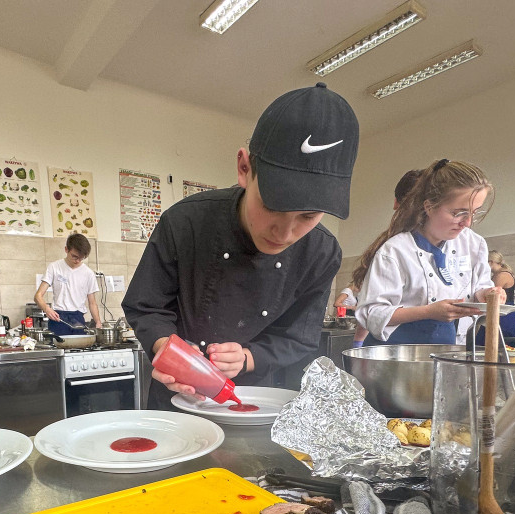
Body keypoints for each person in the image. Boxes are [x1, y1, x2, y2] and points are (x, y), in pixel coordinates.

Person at [122, 82, 358, 408]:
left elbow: (298, 337)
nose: (285, 233)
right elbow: (146, 306)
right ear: (245, 169)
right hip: (177, 397)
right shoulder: (184, 222)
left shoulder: (321, 252)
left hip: (257, 400)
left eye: (307, 216)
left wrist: (248, 357)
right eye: (273, 206)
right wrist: (168, 349)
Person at [355, 159, 504, 345]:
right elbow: (371, 313)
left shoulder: (474, 244)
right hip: (395, 352)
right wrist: (427, 312)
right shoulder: (395, 250)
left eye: (475, 212)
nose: (467, 223)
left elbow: (478, 288)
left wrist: (488, 294)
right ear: (429, 207)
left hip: (446, 347)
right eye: (458, 213)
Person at [341, 168, 423, 347]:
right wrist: (358, 346)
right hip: (390, 349)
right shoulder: (389, 251)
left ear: (396, 203)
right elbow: (371, 311)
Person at [34, 233, 101, 336]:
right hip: (58, 319)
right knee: (59, 346)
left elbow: (92, 303)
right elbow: (38, 296)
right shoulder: (54, 267)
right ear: (66, 249)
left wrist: (98, 323)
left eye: (81, 258)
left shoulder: (88, 273)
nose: (77, 260)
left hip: (78, 319)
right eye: (74, 256)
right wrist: (47, 309)